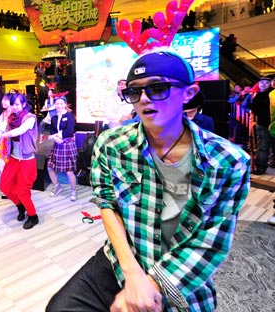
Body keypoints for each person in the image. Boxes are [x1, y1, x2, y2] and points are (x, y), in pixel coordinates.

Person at [47, 51, 251, 312]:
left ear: (188, 93)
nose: (144, 99)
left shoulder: (228, 161)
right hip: (121, 259)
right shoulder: (112, 143)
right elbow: (107, 203)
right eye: (135, 91)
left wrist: (151, 285)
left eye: (157, 88)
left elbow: (211, 241)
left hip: (181, 273)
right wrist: (132, 273)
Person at [0, 93, 39, 230]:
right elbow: (2, 126)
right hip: (13, 158)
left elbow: (20, 130)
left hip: (26, 160)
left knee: (22, 190)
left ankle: (33, 216)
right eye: (13, 104)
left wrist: (2, 135)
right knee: (5, 186)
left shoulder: (30, 118)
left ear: (24, 104)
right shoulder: (10, 117)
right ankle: (20, 207)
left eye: (17, 104)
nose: (14, 107)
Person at [42, 97, 78, 201]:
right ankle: (57, 186)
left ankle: (73, 190)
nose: (59, 106)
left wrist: (54, 136)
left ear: (65, 104)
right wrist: (55, 138)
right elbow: (52, 131)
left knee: (69, 171)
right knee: (49, 167)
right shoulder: (53, 118)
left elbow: (69, 131)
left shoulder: (70, 115)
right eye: (57, 104)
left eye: (61, 103)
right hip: (57, 144)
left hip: (68, 144)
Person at [250, 76, 273, 175]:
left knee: (263, 146)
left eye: (266, 83)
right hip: (268, 124)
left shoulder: (260, 95)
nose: (263, 84)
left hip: (264, 124)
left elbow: (254, 109)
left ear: (271, 84)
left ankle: (261, 168)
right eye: (261, 82)